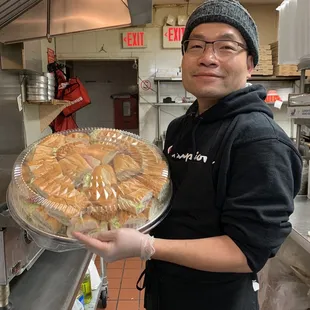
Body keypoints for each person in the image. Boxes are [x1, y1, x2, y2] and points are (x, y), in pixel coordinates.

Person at [73, 0, 302, 309]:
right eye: (196, 45)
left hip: (215, 300)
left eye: (226, 47)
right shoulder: (181, 127)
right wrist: (102, 175)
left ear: (250, 64)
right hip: (165, 291)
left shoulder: (259, 141)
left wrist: (147, 246)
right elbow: (165, 197)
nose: (207, 57)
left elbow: (247, 252)